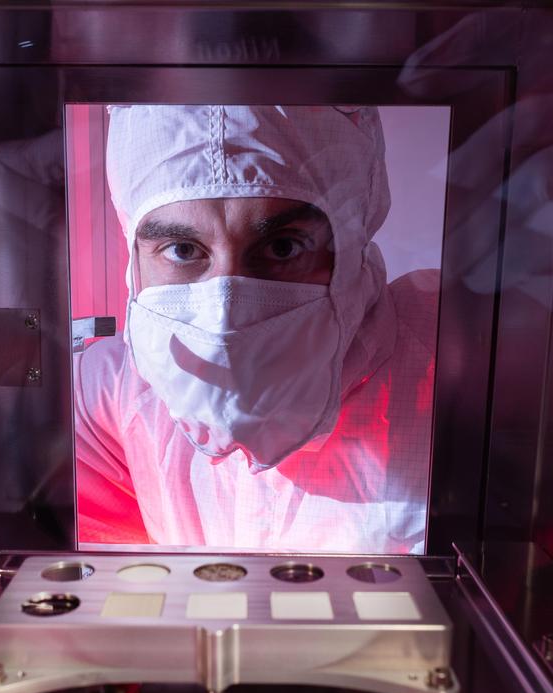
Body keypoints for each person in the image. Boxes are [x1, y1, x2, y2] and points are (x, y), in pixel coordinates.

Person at [74, 105, 438, 554]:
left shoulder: (458, 356)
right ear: (135, 259)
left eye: (282, 248)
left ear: (352, 244)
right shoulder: (110, 396)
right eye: (184, 250)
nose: (226, 314)